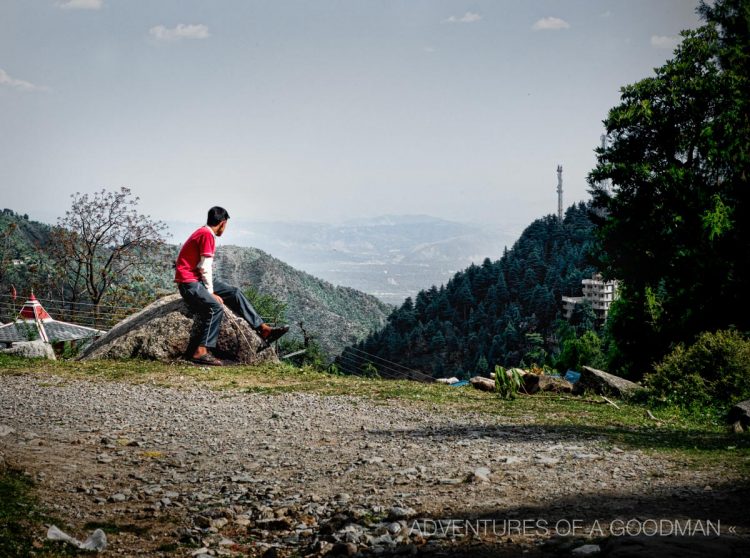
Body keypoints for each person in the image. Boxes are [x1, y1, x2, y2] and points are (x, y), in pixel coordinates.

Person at [174, 206, 289, 365]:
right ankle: (201, 351)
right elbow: (205, 267)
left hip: (196, 280)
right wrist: (211, 293)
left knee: (234, 293)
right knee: (215, 307)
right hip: (189, 283)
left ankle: (263, 329)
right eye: (226, 225)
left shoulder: (203, 232)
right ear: (222, 223)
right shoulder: (207, 235)